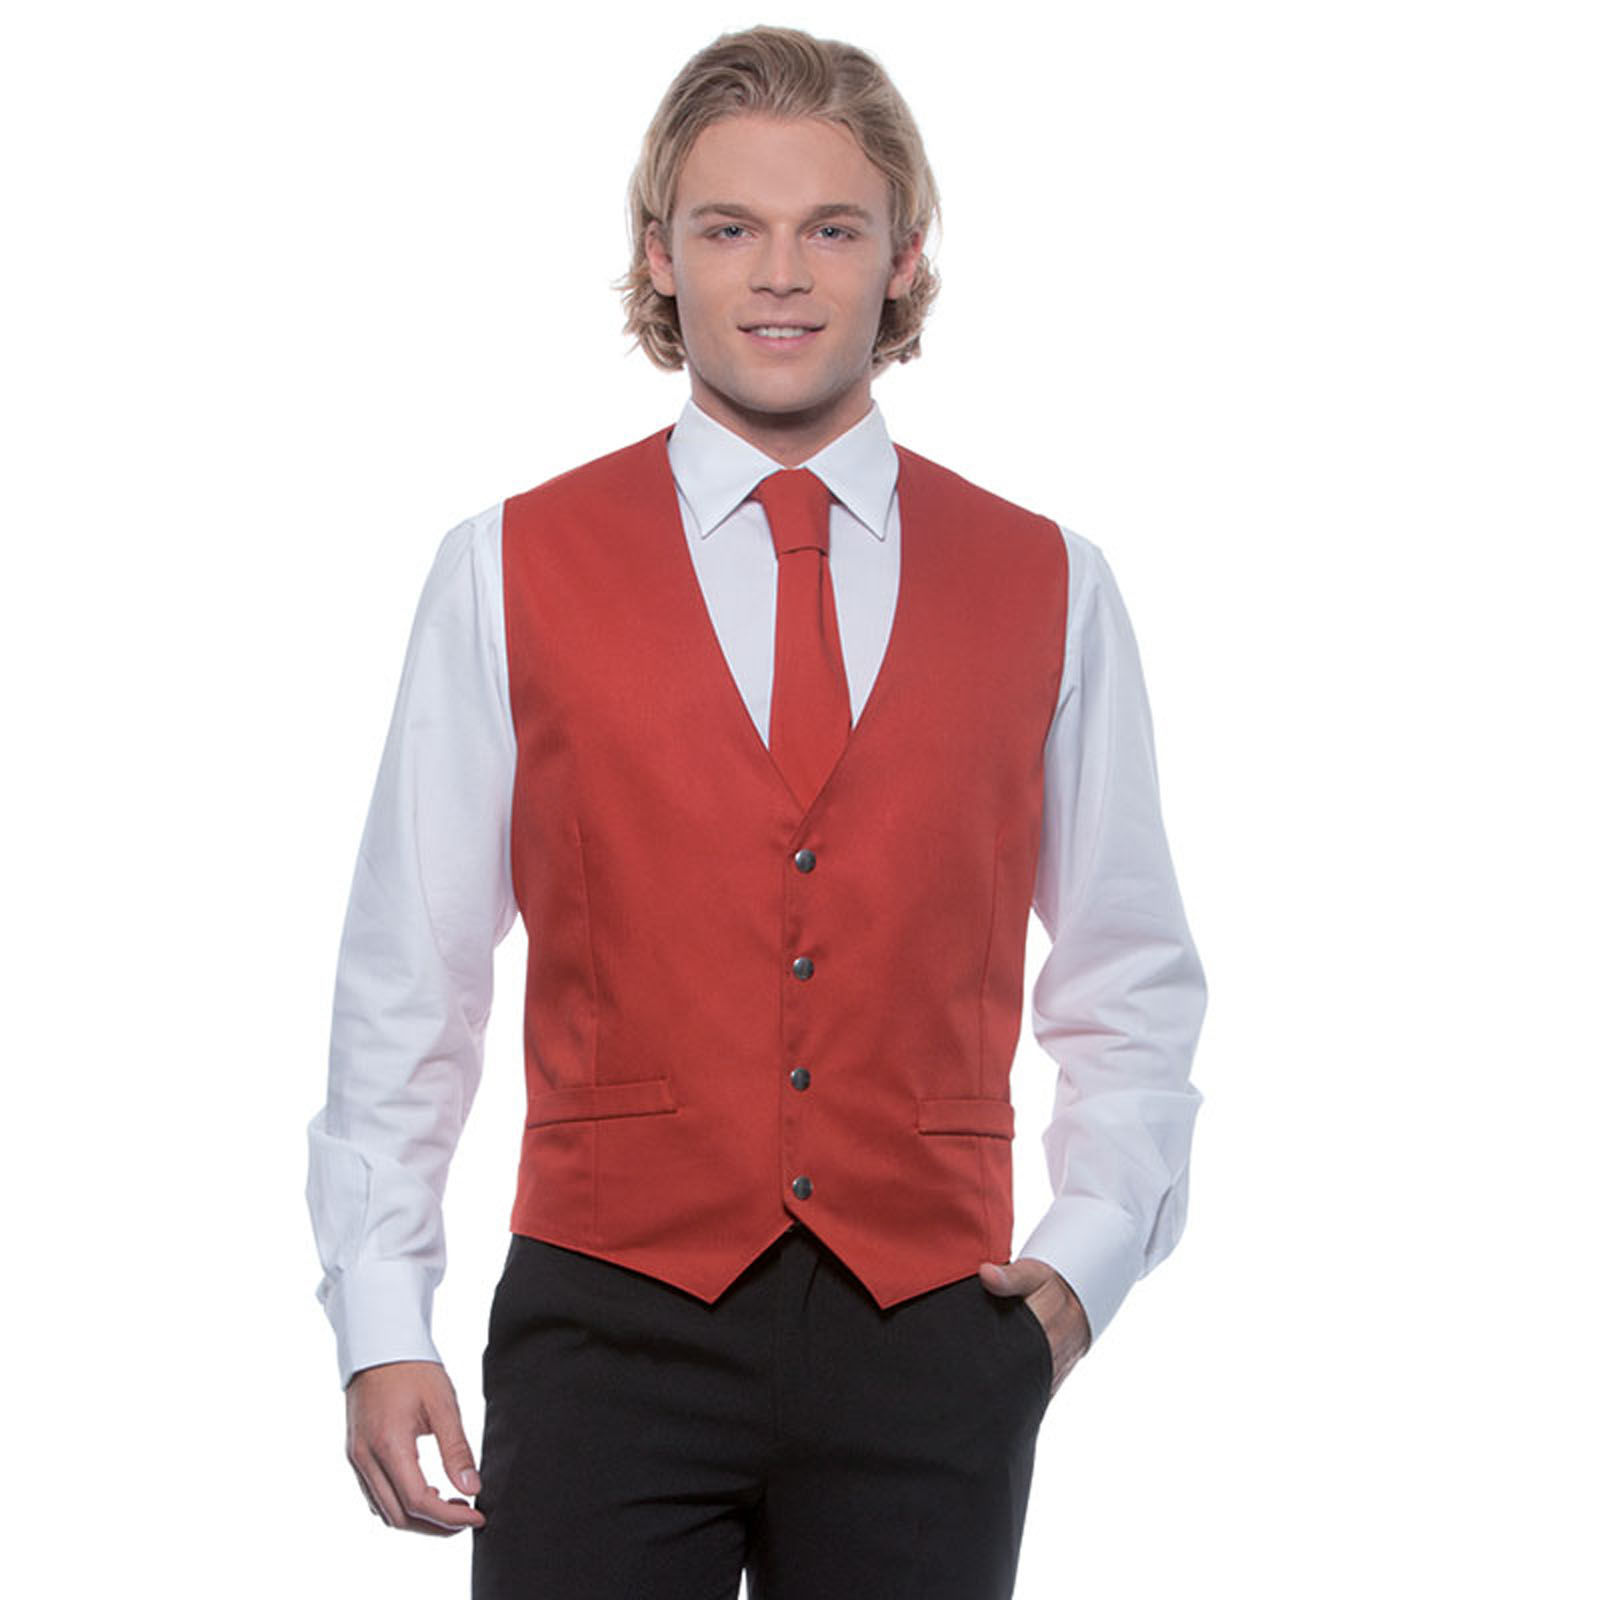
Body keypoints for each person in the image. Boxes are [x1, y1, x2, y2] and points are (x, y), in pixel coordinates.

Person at [305, 23, 1207, 1600]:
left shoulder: (1050, 582)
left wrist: (1083, 1266)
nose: (780, 275)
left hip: (934, 1333)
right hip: (605, 1324)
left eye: (831, 229)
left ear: (904, 260)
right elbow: (411, 973)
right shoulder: (505, 567)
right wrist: (381, 1316)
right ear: (660, 256)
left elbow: (1129, 971)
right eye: (730, 228)